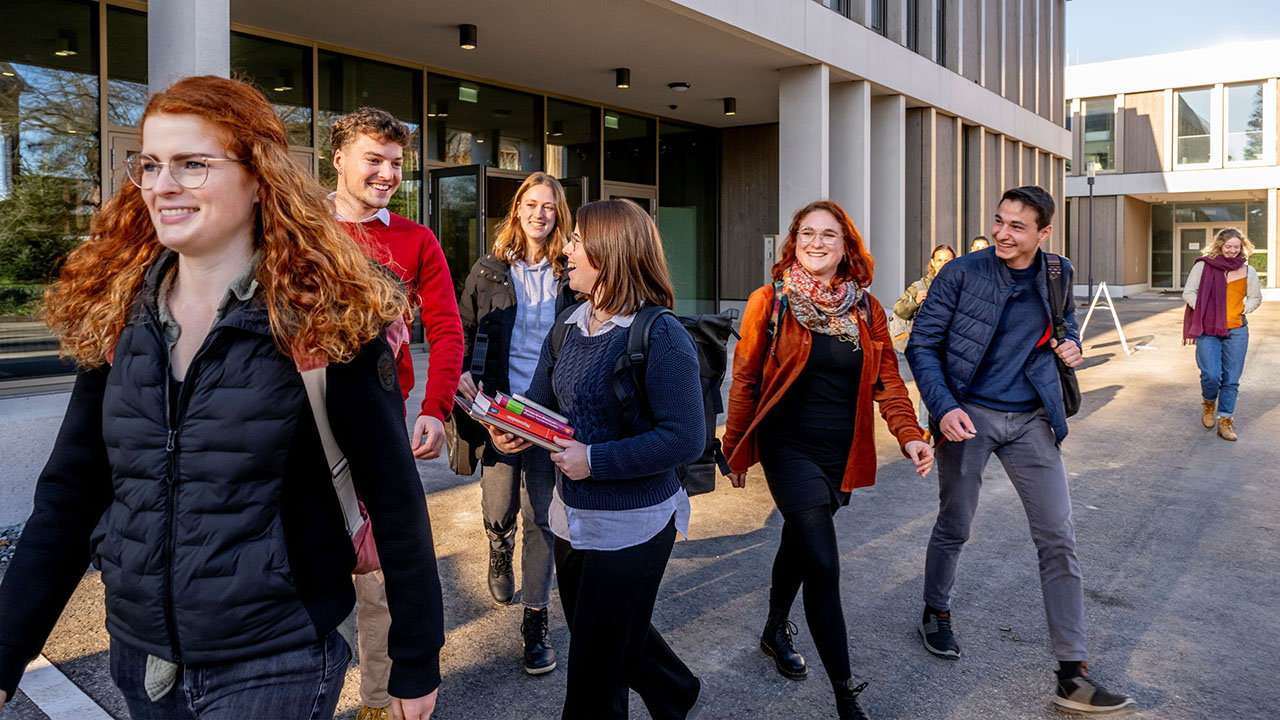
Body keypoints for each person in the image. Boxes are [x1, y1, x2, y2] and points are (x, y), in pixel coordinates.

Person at [0, 76, 442, 720]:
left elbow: (396, 495)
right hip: (139, 657)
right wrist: (8, 646)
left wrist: (417, 655)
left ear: (257, 174)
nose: (162, 184)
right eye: (150, 164)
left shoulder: (324, 319)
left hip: (275, 659)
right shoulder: (124, 316)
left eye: (192, 164)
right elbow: (72, 492)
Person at [906, 186, 1136, 716]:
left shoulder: (1057, 272)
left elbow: (1064, 324)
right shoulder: (960, 273)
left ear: (1044, 232)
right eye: (999, 222)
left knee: (1059, 536)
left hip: (1032, 416)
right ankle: (935, 610)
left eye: (1018, 226)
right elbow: (923, 345)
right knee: (956, 522)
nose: (1004, 234)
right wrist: (942, 409)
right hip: (969, 415)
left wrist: (1071, 343)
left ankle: (1071, 673)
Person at [488, 199, 705, 719]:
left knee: (591, 672)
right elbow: (541, 404)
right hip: (571, 519)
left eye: (578, 241)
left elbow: (686, 438)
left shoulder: (661, 334)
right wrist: (507, 428)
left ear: (610, 254)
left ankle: (672, 692)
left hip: (634, 525)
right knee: (614, 642)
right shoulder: (569, 324)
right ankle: (676, 691)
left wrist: (596, 459)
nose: (566, 248)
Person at [722, 200, 934, 720]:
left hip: (842, 452)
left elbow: (888, 380)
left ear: (847, 248)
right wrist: (734, 449)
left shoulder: (867, 309)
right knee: (822, 560)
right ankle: (846, 696)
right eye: (807, 233)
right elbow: (746, 380)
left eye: (829, 235)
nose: (817, 243)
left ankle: (775, 627)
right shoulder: (769, 302)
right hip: (787, 447)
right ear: (794, 242)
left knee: (799, 543)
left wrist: (909, 434)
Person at [328, 108, 463, 720]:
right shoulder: (298, 232)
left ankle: (381, 704)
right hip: (297, 430)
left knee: (383, 578)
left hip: (381, 429)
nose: (386, 174)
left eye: (395, 165)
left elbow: (447, 329)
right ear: (339, 159)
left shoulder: (415, 240)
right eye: (373, 160)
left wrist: (434, 408)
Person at [457, 172, 577, 674]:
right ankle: (497, 544)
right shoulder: (488, 270)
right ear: (517, 210)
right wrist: (464, 386)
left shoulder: (574, 269)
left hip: (549, 411)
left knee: (542, 518)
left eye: (548, 206)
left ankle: (536, 621)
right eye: (531, 204)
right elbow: (461, 333)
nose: (539, 214)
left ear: (559, 213)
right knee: (500, 503)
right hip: (501, 408)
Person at [1182, 227, 1262, 442]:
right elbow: (1189, 292)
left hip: (1237, 330)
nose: (1233, 251)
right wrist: (1205, 311)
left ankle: (1225, 421)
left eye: (1237, 247)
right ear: (1220, 245)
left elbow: (1255, 297)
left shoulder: (1247, 271)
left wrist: (1243, 310)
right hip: (1208, 329)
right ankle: (1209, 403)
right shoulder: (1203, 266)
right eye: (1229, 247)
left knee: (1231, 379)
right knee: (1211, 374)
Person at [892, 244, 956, 436]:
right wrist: (916, 300)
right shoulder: (920, 286)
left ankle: (945, 429)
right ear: (932, 263)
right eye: (939, 260)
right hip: (927, 346)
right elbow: (899, 310)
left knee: (950, 386)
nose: (943, 264)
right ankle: (925, 430)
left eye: (948, 260)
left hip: (952, 346)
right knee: (930, 384)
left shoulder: (961, 285)